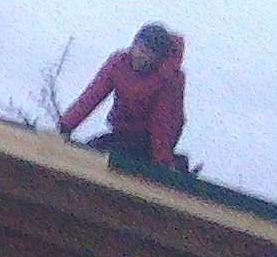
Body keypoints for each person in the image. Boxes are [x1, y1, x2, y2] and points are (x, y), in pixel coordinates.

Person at [61, 23, 190, 170]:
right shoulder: (119, 64)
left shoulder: (168, 78)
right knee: (91, 151)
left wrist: (161, 162)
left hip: (150, 139)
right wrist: (66, 125)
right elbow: (92, 95)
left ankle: (175, 163)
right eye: (138, 48)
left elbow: (163, 122)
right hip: (122, 132)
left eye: (147, 53)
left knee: (118, 158)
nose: (140, 56)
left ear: (157, 58)